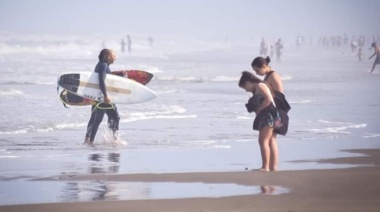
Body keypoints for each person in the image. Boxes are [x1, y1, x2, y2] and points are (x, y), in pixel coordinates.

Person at [238, 71, 281, 172]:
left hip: (269, 115)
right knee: (269, 141)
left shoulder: (260, 86)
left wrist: (259, 111)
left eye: (245, 88)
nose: (246, 90)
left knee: (263, 141)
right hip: (272, 114)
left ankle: (265, 167)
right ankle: (272, 167)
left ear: (248, 83)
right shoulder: (260, 86)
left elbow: (268, 100)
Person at [84, 49, 120, 146]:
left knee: (99, 118)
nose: (116, 58)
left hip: (98, 96)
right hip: (102, 97)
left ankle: (88, 140)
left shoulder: (101, 65)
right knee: (102, 118)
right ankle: (92, 141)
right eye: (114, 56)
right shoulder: (103, 65)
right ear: (108, 56)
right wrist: (105, 96)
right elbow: (101, 81)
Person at [251, 56, 290, 135]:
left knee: (265, 140)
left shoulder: (273, 76)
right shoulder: (268, 75)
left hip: (275, 112)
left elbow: (280, 97)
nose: (256, 73)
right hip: (271, 111)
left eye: (257, 70)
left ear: (264, 66)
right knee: (269, 139)